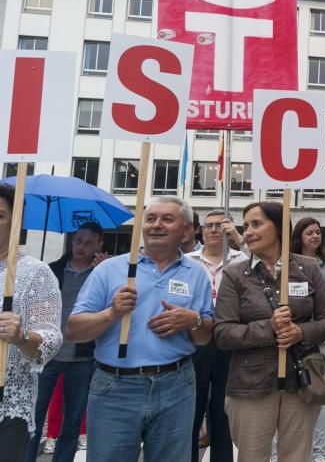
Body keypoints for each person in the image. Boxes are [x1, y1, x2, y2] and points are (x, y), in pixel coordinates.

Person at [67, 195, 215, 461]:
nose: (157, 224)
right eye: (151, 218)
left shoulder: (196, 274)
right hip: (115, 387)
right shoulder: (110, 270)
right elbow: (74, 331)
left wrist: (192, 320)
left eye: (167, 219)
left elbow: (205, 337)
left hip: (176, 386)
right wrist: (112, 313)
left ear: (185, 230)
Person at [214, 202, 325, 462]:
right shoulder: (235, 274)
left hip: (300, 381)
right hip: (250, 385)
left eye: (256, 224)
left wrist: (300, 332)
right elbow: (223, 333)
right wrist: (268, 327)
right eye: (245, 225)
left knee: (295, 457)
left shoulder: (308, 268)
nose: (247, 231)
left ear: (280, 227)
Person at [24, 222, 105, 462]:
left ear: (99, 245)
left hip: (82, 357)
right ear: (72, 241)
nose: (81, 247)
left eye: (89, 243)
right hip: (46, 355)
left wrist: (105, 270)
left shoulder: (101, 275)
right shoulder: (51, 270)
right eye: (78, 241)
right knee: (34, 419)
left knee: (72, 421)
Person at [0, 183, 62, 460]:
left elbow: (50, 339)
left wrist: (21, 336)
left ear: (16, 222)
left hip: (7, 405)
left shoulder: (34, 273)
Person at [187, 210, 246, 462]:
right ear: (200, 230)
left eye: (221, 226)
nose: (214, 230)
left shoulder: (242, 259)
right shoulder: (187, 260)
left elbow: (269, 267)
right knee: (191, 410)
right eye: (209, 225)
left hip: (228, 341)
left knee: (222, 413)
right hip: (194, 341)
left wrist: (239, 238)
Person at [290, 216, 325, 462]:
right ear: (299, 237)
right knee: (288, 398)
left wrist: (303, 310)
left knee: (319, 396)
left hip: (320, 341)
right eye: (309, 232)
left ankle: (319, 454)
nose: (315, 236)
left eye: (318, 232)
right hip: (288, 343)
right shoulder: (285, 264)